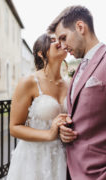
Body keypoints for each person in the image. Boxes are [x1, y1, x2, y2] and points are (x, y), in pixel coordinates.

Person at [48, 5, 106, 180]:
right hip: (71, 171)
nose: (62, 46)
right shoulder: (78, 69)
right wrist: (64, 131)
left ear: (80, 27)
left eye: (63, 38)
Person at [6, 33, 69, 180]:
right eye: (53, 41)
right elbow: (14, 127)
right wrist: (49, 134)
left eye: (61, 39)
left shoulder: (69, 83)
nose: (60, 42)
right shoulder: (28, 82)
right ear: (41, 53)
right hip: (34, 159)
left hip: (63, 157)